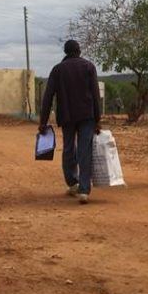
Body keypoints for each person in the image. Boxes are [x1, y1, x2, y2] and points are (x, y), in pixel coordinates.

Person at [39, 39, 102, 204]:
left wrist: (43, 121)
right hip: (87, 116)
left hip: (66, 116)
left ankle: (72, 183)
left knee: (68, 148)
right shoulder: (89, 67)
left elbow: (48, 97)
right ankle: (84, 191)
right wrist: (98, 119)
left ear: (66, 52)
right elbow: (95, 95)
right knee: (84, 150)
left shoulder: (58, 69)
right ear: (78, 50)